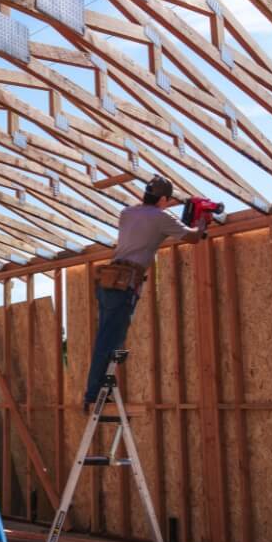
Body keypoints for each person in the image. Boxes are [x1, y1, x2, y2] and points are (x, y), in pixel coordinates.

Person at [83, 175, 207, 409]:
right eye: (167, 200)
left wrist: (167, 207)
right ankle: (92, 395)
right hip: (124, 284)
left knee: (111, 338)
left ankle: (100, 388)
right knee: (108, 340)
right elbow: (193, 237)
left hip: (110, 281)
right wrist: (201, 222)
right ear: (162, 199)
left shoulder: (127, 213)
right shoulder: (162, 218)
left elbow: (147, 218)